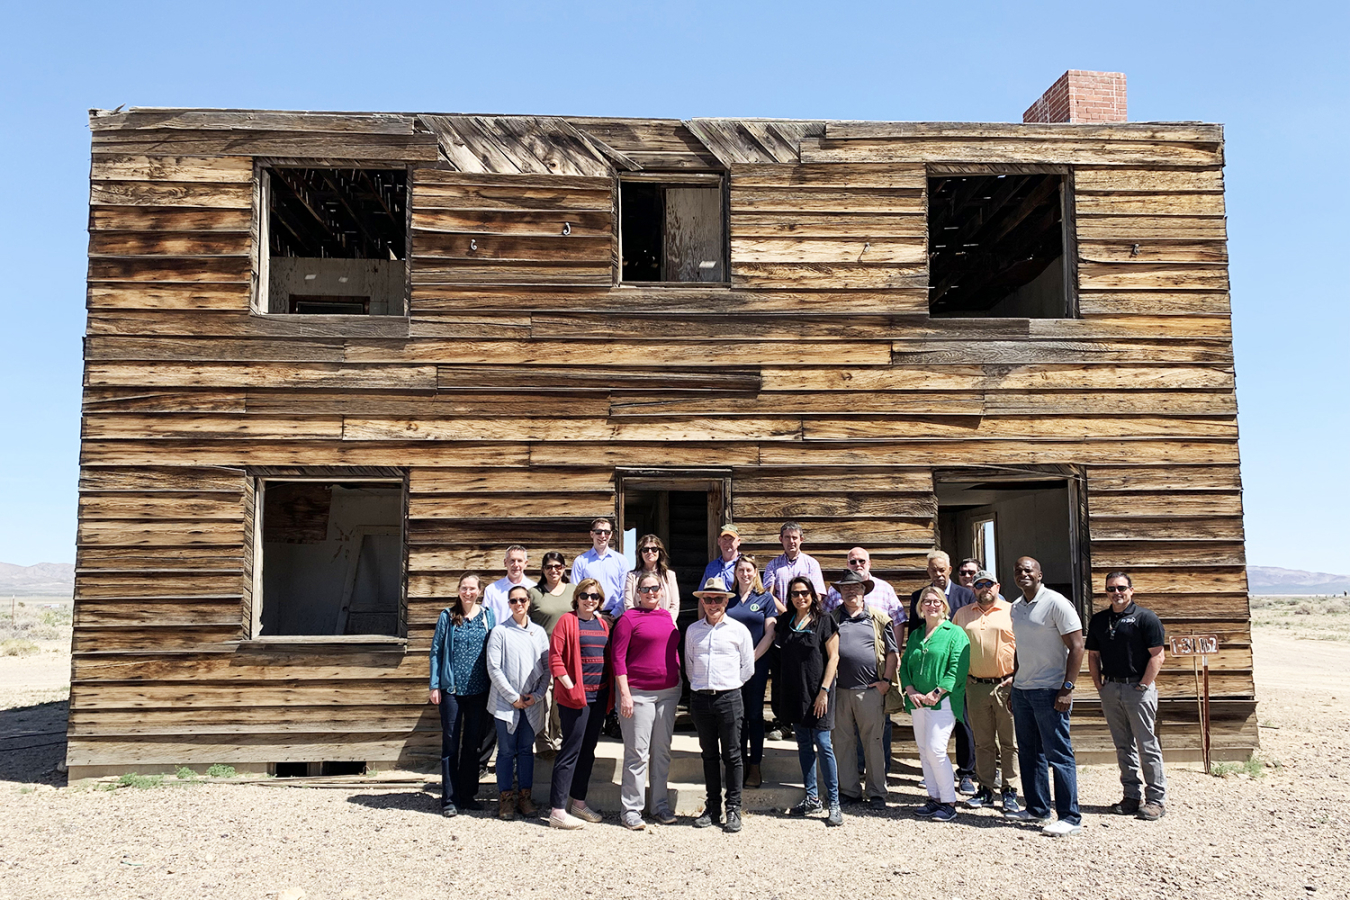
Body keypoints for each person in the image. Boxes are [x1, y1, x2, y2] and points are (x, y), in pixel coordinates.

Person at [1008, 556, 1085, 837]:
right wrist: (1015, 683)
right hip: (1023, 690)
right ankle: (1037, 808)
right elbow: (1020, 648)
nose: (1023, 574)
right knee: (1029, 752)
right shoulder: (1016, 607)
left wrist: (1067, 687)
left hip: (1051, 690)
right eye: (1018, 570)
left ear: (1040, 574)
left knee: (1058, 753)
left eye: (1028, 569)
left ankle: (1069, 816)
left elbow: (1077, 647)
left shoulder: (1057, 603)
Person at [1087, 571, 1167, 822]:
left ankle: (1155, 800)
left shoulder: (1146, 618)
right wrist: (1099, 684)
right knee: (1123, 746)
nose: (1116, 593)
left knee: (1147, 745)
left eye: (1121, 588)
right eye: (1111, 589)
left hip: (1137, 689)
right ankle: (1131, 796)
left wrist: (1144, 685)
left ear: (1131, 590)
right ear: (1106, 592)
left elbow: (1157, 655)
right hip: (1111, 688)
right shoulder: (1100, 620)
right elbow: (1093, 654)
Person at [823, 547, 906, 771]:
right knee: (846, 730)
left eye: (861, 561)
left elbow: (897, 621)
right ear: (847, 564)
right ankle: (855, 771)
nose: (857, 564)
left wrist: (895, 654)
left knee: (879, 726)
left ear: (869, 563)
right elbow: (826, 624)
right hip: (843, 680)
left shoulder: (885, 589)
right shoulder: (835, 596)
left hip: (877, 671)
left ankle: (880, 771)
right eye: (853, 561)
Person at [611, 571, 682, 830]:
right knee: (637, 754)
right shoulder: (628, 619)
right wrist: (625, 694)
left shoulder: (666, 617)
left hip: (668, 692)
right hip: (638, 693)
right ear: (637, 593)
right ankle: (631, 809)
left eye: (655, 588)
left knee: (661, 752)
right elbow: (618, 659)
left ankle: (660, 806)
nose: (651, 593)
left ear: (662, 591)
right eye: (646, 589)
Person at [686, 577, 756, 832]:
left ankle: (733, 809)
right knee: (709, 754)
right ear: (702, 602)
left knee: (733, 754)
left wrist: (729, 684)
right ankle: (713, 807)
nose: (712, 604)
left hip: (729, 698)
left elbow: (747, 667)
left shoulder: (738, 630)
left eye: (718, 599)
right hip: (701, 698)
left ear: (726, 601)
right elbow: (690, 664)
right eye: (708, 599)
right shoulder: (693, 630)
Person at [774, 576, 843, 826]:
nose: (799, 597)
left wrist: (824, 690)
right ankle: (812, 797)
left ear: (812, 594)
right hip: (795, 692)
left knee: (824, 744)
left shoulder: (825, 621)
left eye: (804, 592)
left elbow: (834, 658)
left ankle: (834, 802)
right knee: (803, 743)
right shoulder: (786, 622)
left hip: (819, 692)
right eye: (794, 593)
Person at [907, 549, 977, 794]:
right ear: (928, 571)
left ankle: (966, 773)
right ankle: (936, 778)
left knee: (963, 722)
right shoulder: (918, 596)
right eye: (932, 569)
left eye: (941, 569)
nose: (937, 573)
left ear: (949, 569)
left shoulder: (967, 595)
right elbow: (914, 640)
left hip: (958, 674)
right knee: (930, 738)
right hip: (927, 677)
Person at [952, 570, 1021, 816]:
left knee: (1009, 742)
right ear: (973, 589)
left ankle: (1010, 790)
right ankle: (986, 789)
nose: (984, 589)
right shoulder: (962, 614)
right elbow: (953, 646)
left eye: (988, 584)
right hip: (975, 685)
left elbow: (1025, 645)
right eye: (979, 585)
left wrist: (1017, 676)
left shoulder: (1013, 611)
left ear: (997, 586)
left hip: (1006, 685)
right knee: (982, 742)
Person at [546, 578, 613, 829]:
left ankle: (579, 803)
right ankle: (557, 810)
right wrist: (570, 686)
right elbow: (556, 658)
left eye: (594, 596)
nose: (589, 600)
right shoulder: (567, 621)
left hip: (599, 697)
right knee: (570, 751)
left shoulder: (603, 624)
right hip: (576, 698)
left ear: (600, 600)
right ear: (577, 597)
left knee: (588, 751)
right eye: (585, 595)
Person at [900, 585, 970, 823]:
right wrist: (910, 690)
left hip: (944, 702)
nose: (931, 605)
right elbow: (906, 665)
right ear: (920, 607)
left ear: (944, 606)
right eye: (926, 602)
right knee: (923, 750)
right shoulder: (917, 634)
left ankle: (949, 802)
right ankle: (934, 798)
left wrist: (937, 692)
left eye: (936, 602)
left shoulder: (955, 633)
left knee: (936, 749)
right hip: (918, 701)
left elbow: (956, 670)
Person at [829, 569, 898, 810]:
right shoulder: (832, 618)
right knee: (843, 742)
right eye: (845, 588)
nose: (850, 591)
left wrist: (886, 682)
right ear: (840, 592)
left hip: (870, 691)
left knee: (874, 742)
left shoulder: (879, 618)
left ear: (864, 591)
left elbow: (892, 652)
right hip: (840, 691)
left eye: (855, 587)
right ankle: (849, 791)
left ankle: (877, 792)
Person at [428, 573, 495, 816]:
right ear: (458, 590)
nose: (468, 592)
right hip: (451, 691)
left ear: (479, 591)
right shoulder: (447, 616)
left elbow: (494, 650)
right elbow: (436, 651)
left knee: (472, 745)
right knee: (450, 743)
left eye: (472, 588)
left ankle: (467, 795)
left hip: (479, 690)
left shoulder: (488, 616)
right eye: (464, 588)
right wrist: (434, 685)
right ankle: (449, 799)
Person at [485, 584, 550, 820]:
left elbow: (546, 669)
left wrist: (538, 695)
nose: (519, 604)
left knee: (525, 751)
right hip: (505, 703)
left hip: (531, 702)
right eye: (514, 600)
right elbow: (494, 668)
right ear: (508, 604)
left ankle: (525, 797)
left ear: (529, 602)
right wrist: (512, 697)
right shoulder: (500, 632)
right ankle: (505, 798)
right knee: (505, 751)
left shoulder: (540, 633)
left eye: (523, 600)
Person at [725, 555, 777, 788]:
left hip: (756, 664)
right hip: (729, 666)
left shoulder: (765, 599)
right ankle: (738, 764)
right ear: (735, 573)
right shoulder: (729, 598)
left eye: (749, 570)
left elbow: (770, 633)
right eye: (741, 569)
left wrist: (751, 659)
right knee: (734, 716)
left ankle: (755, 765)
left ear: (756, 572)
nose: (745, 574)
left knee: (754, 715)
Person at [529, 552, 575, 760]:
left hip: (567, 654)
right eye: (549, 566)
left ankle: (560, 741)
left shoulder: (574, 591)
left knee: (562, 699)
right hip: (541, 655)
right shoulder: (534, 593)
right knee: (543, 700)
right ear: (542, 569)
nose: (553, 570)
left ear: (564, 568)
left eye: (558, 566)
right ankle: (543, 743)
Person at [763, 522, 826, 614]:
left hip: (806, 618)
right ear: (781, 539)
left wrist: (802, 614)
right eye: (787, 537)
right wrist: (786, 614)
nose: (791, 541)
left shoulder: (812, 564)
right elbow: (769, 595)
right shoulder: (772, 566)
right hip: (781, 618)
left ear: (801, 539)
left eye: (794, 538)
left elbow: (818, 595)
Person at [570, 518, 626, 619]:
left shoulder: (621, 561)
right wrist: (594, 615)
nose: (603, 536)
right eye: (599, 532)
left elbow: (625, 592)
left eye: (607, 532)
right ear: (592, 534)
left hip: (616, 617)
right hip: (589, 616)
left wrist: (614, 615)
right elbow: (575, 591)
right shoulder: (580, 561)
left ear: (611, 534)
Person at [622, 534, 680, 618]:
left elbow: (674, 605)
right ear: (640, 553)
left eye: (654, 549)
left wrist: (665, 621)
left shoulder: (669, 575)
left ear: (659, 552)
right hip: (639, 624)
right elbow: (628, 605)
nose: (650, 552)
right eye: (645, 550)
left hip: (666, 624)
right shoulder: (631, 576)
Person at [484, 545, 536, 625]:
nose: (516, 565)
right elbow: (485, 619)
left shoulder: (534, 588)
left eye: (519, 561)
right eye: (512, 561)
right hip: (499, 636)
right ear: (505, 562)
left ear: (526, 563)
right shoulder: (492, 590)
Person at [700, 524, 742, 596]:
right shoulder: (711, 567)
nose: (727, 543)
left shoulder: (744, 566)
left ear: (738, 541)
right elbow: (702, 595)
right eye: (724, 539)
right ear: (719, 541)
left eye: (730, 539)